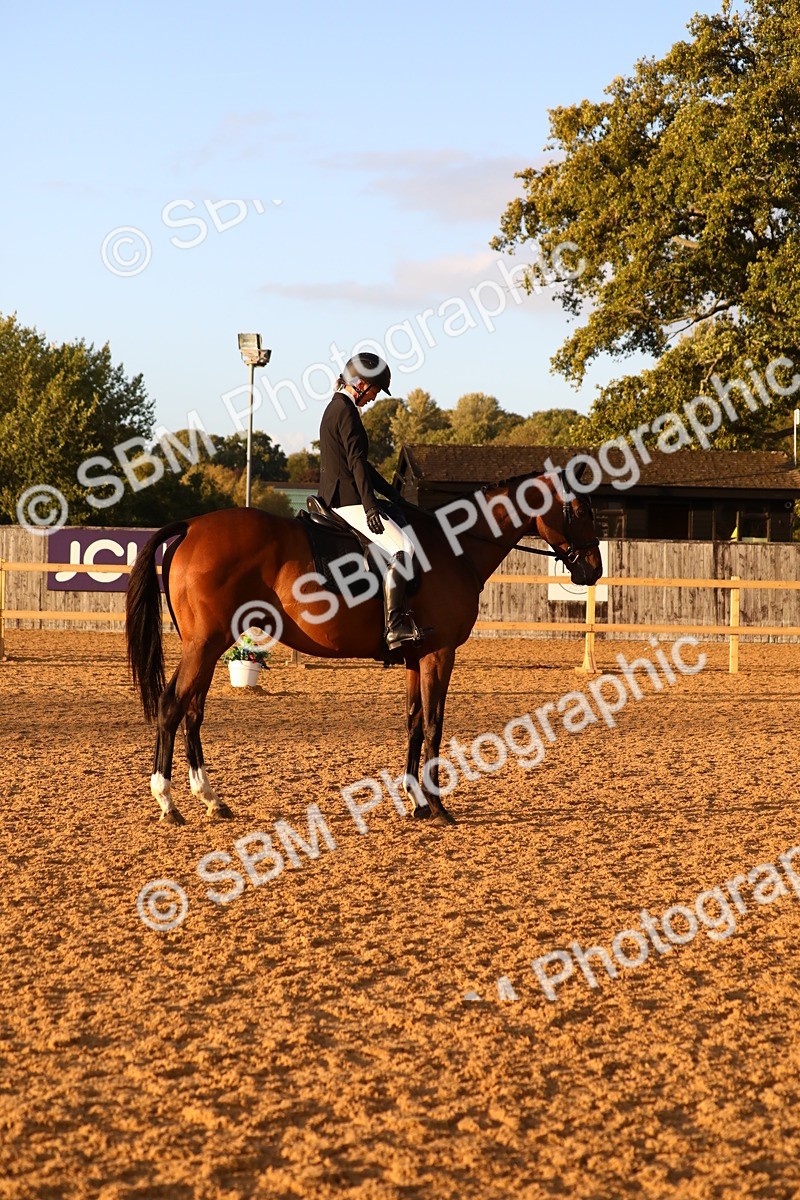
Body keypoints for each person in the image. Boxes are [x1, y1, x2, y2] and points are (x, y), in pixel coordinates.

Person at [318, 352, 427, 650]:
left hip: (339, 494)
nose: (375, 398)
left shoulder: (336, 407)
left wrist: (391, 493)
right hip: (348, 499)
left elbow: (362, 466)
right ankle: (394, 627)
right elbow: (355, 464)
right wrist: (370, 506)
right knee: (404, 547)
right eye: (376, 391)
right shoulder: (346, 411)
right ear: (362, 384)